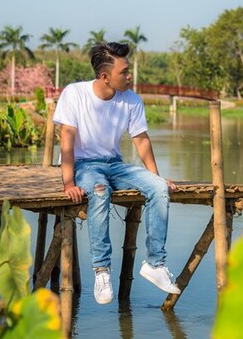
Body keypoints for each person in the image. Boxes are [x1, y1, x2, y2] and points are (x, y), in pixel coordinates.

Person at [53, 41, 181, 305]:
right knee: (100, 191)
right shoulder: (74, 94)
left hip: (114, 163)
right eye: (124, 72)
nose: (129, 76)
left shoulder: (131, 100)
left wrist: (156, 177)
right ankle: (102, 271)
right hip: (84, 165)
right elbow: (66, 139)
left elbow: (141, 140)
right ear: (104, 76)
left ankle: (155, 264)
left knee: (159, 188)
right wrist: (68, 183)